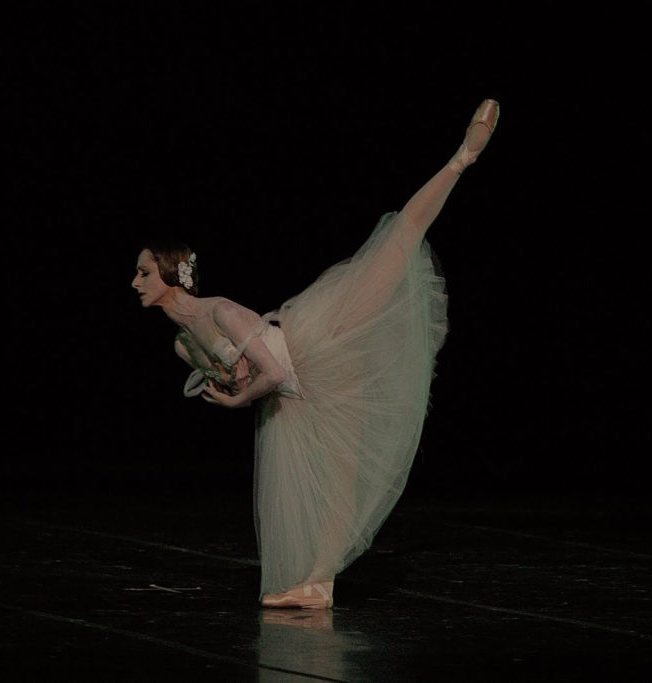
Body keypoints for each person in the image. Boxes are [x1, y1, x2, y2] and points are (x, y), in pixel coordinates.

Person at [132, 99, 499, 609]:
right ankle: (319, 584)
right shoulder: (180, 343)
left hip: (316, 344)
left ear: (170, 274)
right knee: (325, 487)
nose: (136, 282)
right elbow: (245, 379)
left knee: (395, 242)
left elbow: (273, 367)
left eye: (144, 272)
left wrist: (239, 399)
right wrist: (233, 388)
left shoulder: (217, 312)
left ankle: (461, 157)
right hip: (291, 396)